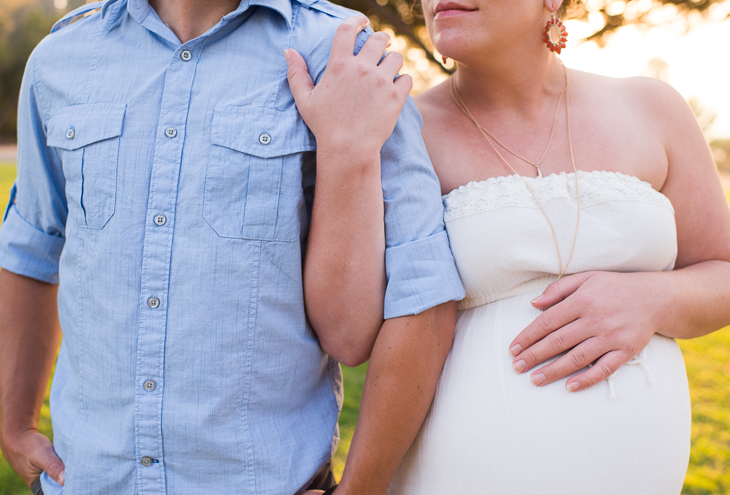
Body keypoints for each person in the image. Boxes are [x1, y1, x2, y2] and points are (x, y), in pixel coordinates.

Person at [0, 1, 465, 494]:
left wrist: (361, 488)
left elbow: (423, 290)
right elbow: (32, 251)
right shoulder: (62, 57)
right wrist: (16, 426)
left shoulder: (341, 52)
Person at [289, 0, 730, 493]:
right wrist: (345, 149)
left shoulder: (654, 108)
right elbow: (349, 333)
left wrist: (654, 300)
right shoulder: (400, 129)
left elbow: (722, 270)